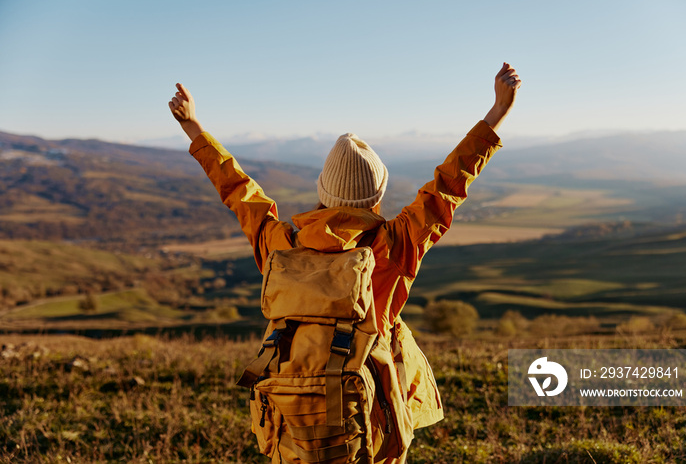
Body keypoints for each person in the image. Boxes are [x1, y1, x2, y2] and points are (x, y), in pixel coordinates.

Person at [169, 63, 521, 463]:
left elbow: (238, 191)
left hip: (293, 424)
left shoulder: (281, 244)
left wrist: (194, 128)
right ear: (378, 195)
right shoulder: (392, 244)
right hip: (369, 419)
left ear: (322, 190)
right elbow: (447, 187)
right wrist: (496, 113)